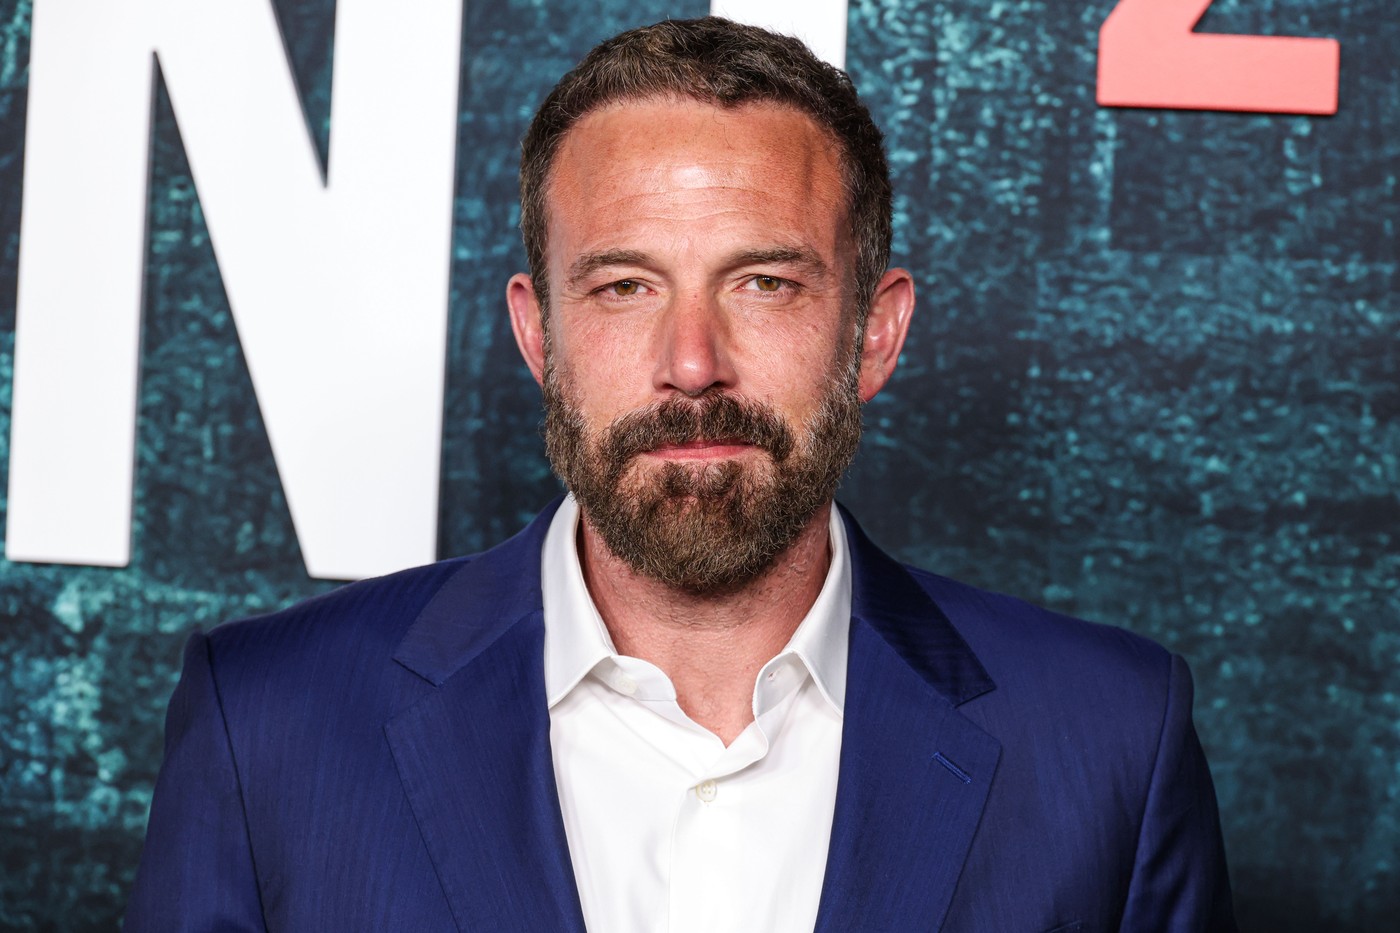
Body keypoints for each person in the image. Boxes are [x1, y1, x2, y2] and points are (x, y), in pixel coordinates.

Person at [126, 16, 1235, 932]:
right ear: (539, 335)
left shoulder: (1110, 742)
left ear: (874, 332)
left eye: (764, 283)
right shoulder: (266, 726)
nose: (692, 364)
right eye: (624, 287)